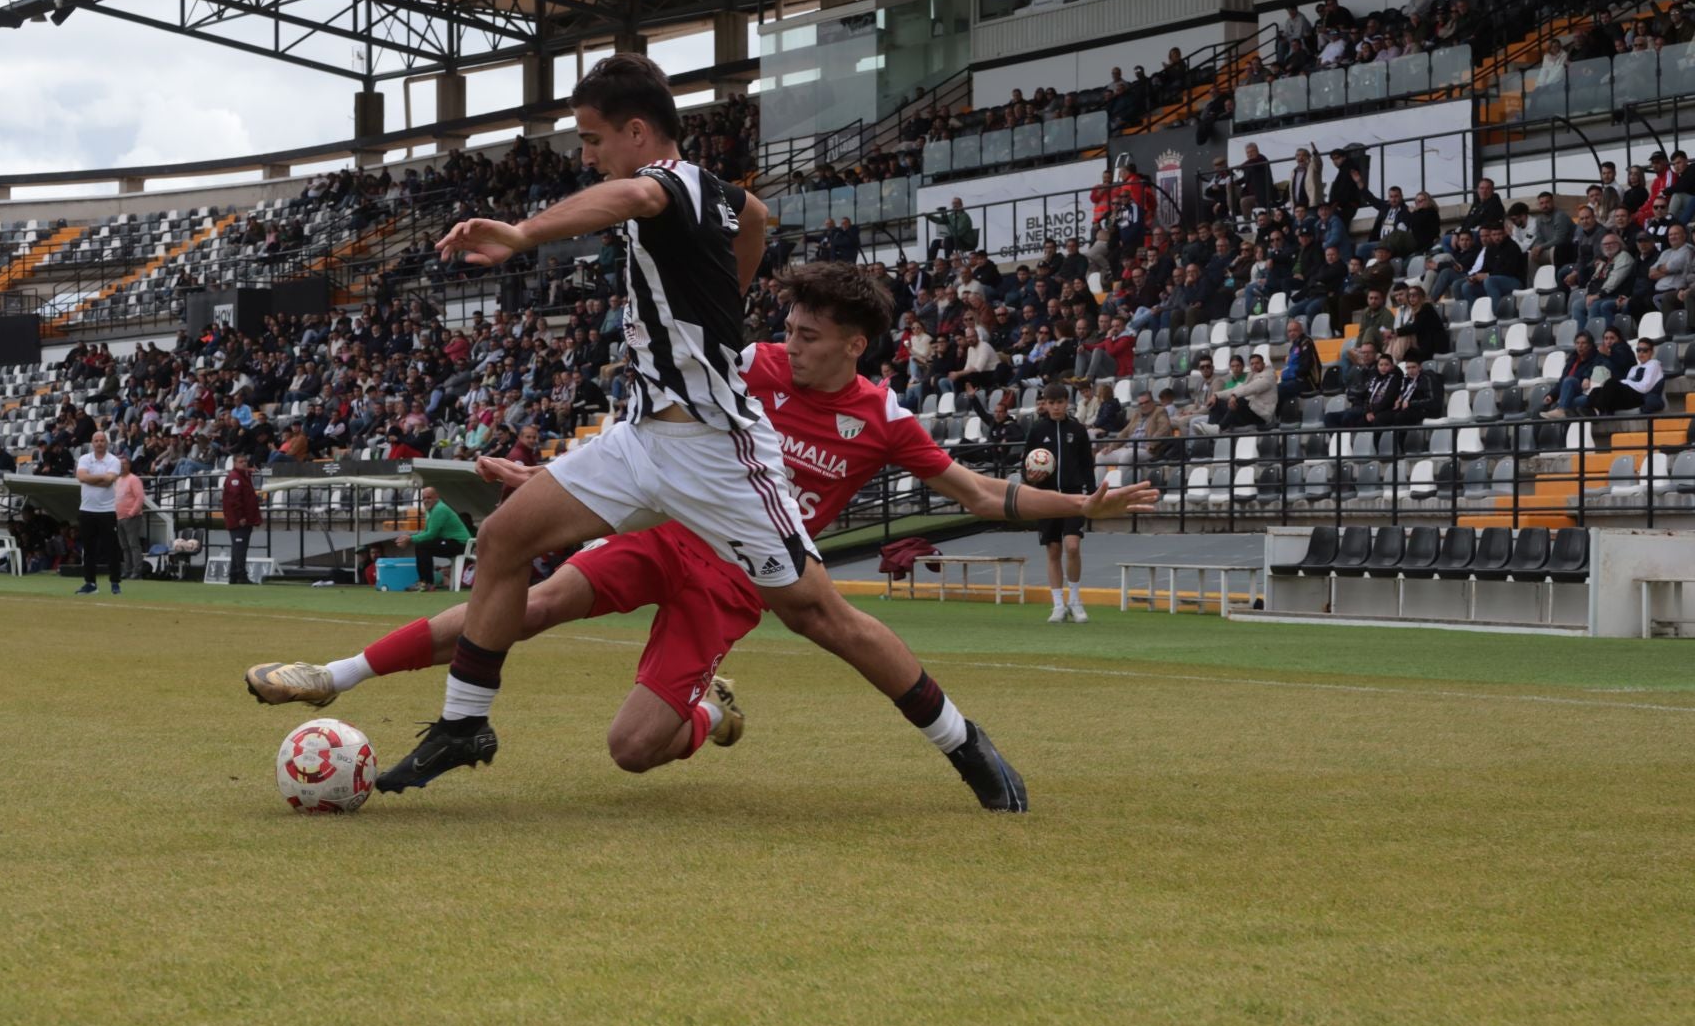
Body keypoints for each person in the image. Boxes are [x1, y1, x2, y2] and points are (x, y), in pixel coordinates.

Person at [246, 263, 1157, 795]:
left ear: (856, 344)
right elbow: (649, 442)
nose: (789, 345)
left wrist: (1084, 506)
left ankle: (710, 710)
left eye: (809, 335)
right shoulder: (747, 366)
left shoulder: (885, 420)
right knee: (531, 602)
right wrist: (556, 482)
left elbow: (979, 495)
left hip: (738, 577)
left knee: (631, 752)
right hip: (662, 532)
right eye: (788, 329)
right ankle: (335, 674)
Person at [1021, 383, 1096, 624]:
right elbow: (1025, 466)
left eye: (1060, 402)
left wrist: (1093, 494)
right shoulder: (1037, 430)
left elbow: (1087, 465)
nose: (1055, 407)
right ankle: (1058, 605)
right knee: (1053, 550)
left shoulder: (1078, 429)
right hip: (1045, 497)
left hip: (1073, 496)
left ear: (1067, 403)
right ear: (1045, 404)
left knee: (1072, 546)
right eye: (1051, 403)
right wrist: (1030, 478)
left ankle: (1075, 600)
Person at [397, 485, 474, 592]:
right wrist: (408, 539)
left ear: (436, 497)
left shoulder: (439, 509)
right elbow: (426, 533)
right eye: (424, 498)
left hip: (461, 544)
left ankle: (427, 583)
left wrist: (409, 539)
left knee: (423, 546)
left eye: (429, 497)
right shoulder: (430, 510)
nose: (426, 500)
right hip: (453, 542)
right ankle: (425, 582)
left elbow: (431, 535)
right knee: (422, 545)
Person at [74, 430, 123, 596]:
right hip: (87, 510)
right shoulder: (84, 459)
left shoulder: (114, 460)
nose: (99, 443)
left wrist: (90, 478)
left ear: (106, 443)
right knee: (89, 549)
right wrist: (100, 478)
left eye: (102, 440)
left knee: (112, 549)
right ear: (92, 443)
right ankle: (90, 583)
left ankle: (115, 582)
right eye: (96, 441)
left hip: (107, 511)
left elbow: (109, 480)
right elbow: (81, 477)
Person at [1591, 339, 1665, 414]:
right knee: (1596, 391)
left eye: (1645, 350)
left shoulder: (1654, 364)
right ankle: (1592, 413)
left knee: (1611, 383)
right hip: (1629, 396)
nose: (1641, 353)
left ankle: (1597, 411)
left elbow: (1645, 387)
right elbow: (1627, 384)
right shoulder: (1634, 368)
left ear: (1652, 352)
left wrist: (1623, 382)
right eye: (1638, 350)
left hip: (1640, 396)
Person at [221, 451, 262, 585]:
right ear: (234, 463)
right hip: (239, 520)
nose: (244, 463)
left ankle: (233, 575)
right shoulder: (236, 478)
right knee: (240, 548)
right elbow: (234, 500)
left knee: (237, 548)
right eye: (241, 462)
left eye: (245, 461)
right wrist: (240, 517)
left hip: (242, 518)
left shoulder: (242, 476)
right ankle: (241, 576)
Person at [115, 457, 147, 580]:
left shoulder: (134, 479)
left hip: (131, 517)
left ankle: (136, 571)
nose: (122, 466)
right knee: (124, 546)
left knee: (133, 545)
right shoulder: (118, 480)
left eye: (124, 463)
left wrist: (132, 512)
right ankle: (127, 570)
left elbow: (140, 497)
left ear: (129, 465)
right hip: (119, 517)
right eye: (120, 464)